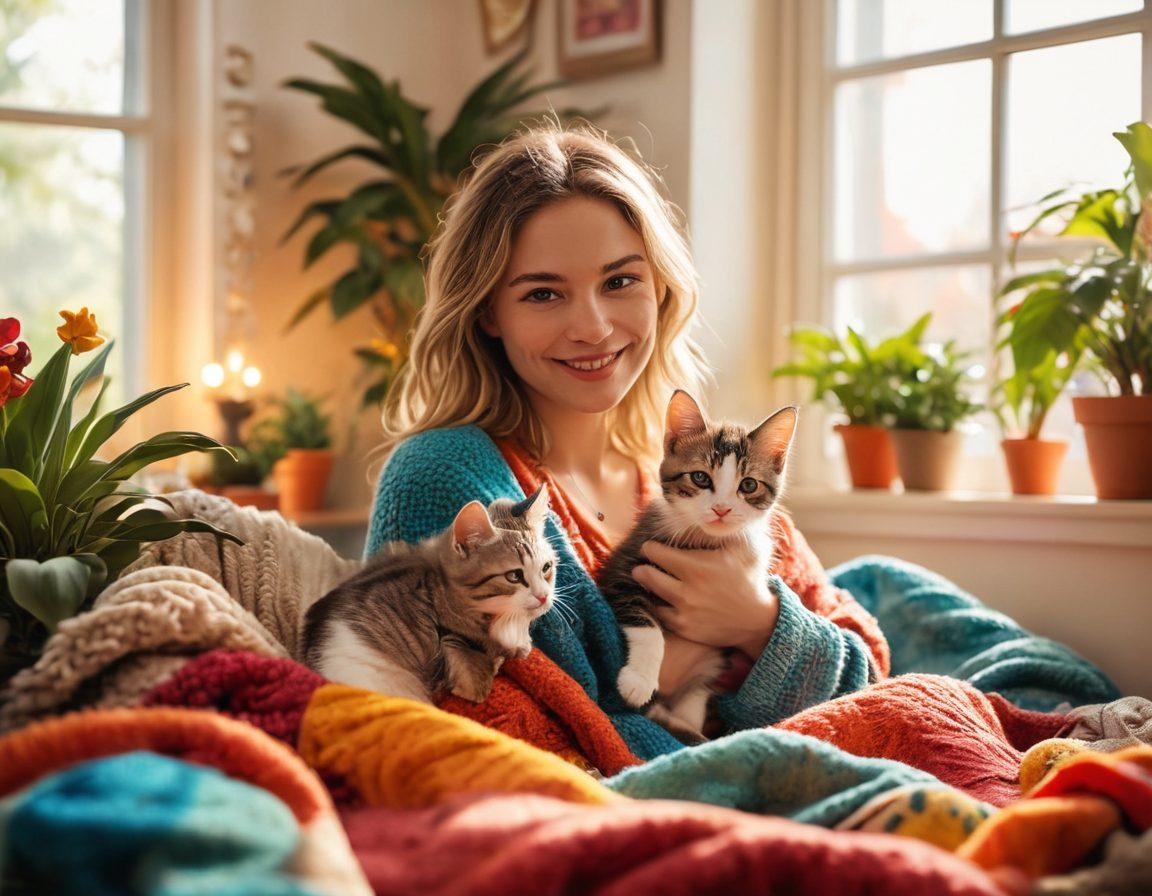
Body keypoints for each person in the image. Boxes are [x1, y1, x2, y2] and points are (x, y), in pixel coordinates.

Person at [364, 118, 895, 760]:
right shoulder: (447, 476)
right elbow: (483, 733)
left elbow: (870, 677)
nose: (593, 327)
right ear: (486, 313)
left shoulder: (694, 474)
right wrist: (672, 706)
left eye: (619, 281)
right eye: (542, 293)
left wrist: (756, 622)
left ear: (661, 286)